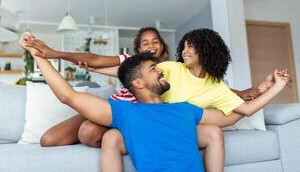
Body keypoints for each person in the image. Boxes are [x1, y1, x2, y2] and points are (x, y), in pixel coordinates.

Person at [21, 28, 280, 172]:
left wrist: (268, 89)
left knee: (212, 132)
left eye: (158, 67)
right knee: (106, 135)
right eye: (154, 70)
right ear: (138, 83)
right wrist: (41, 56)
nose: (160, 69)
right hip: (124, 113)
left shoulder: (184, 109)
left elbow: (232, 114)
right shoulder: (125, 112)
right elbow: (68, 95)